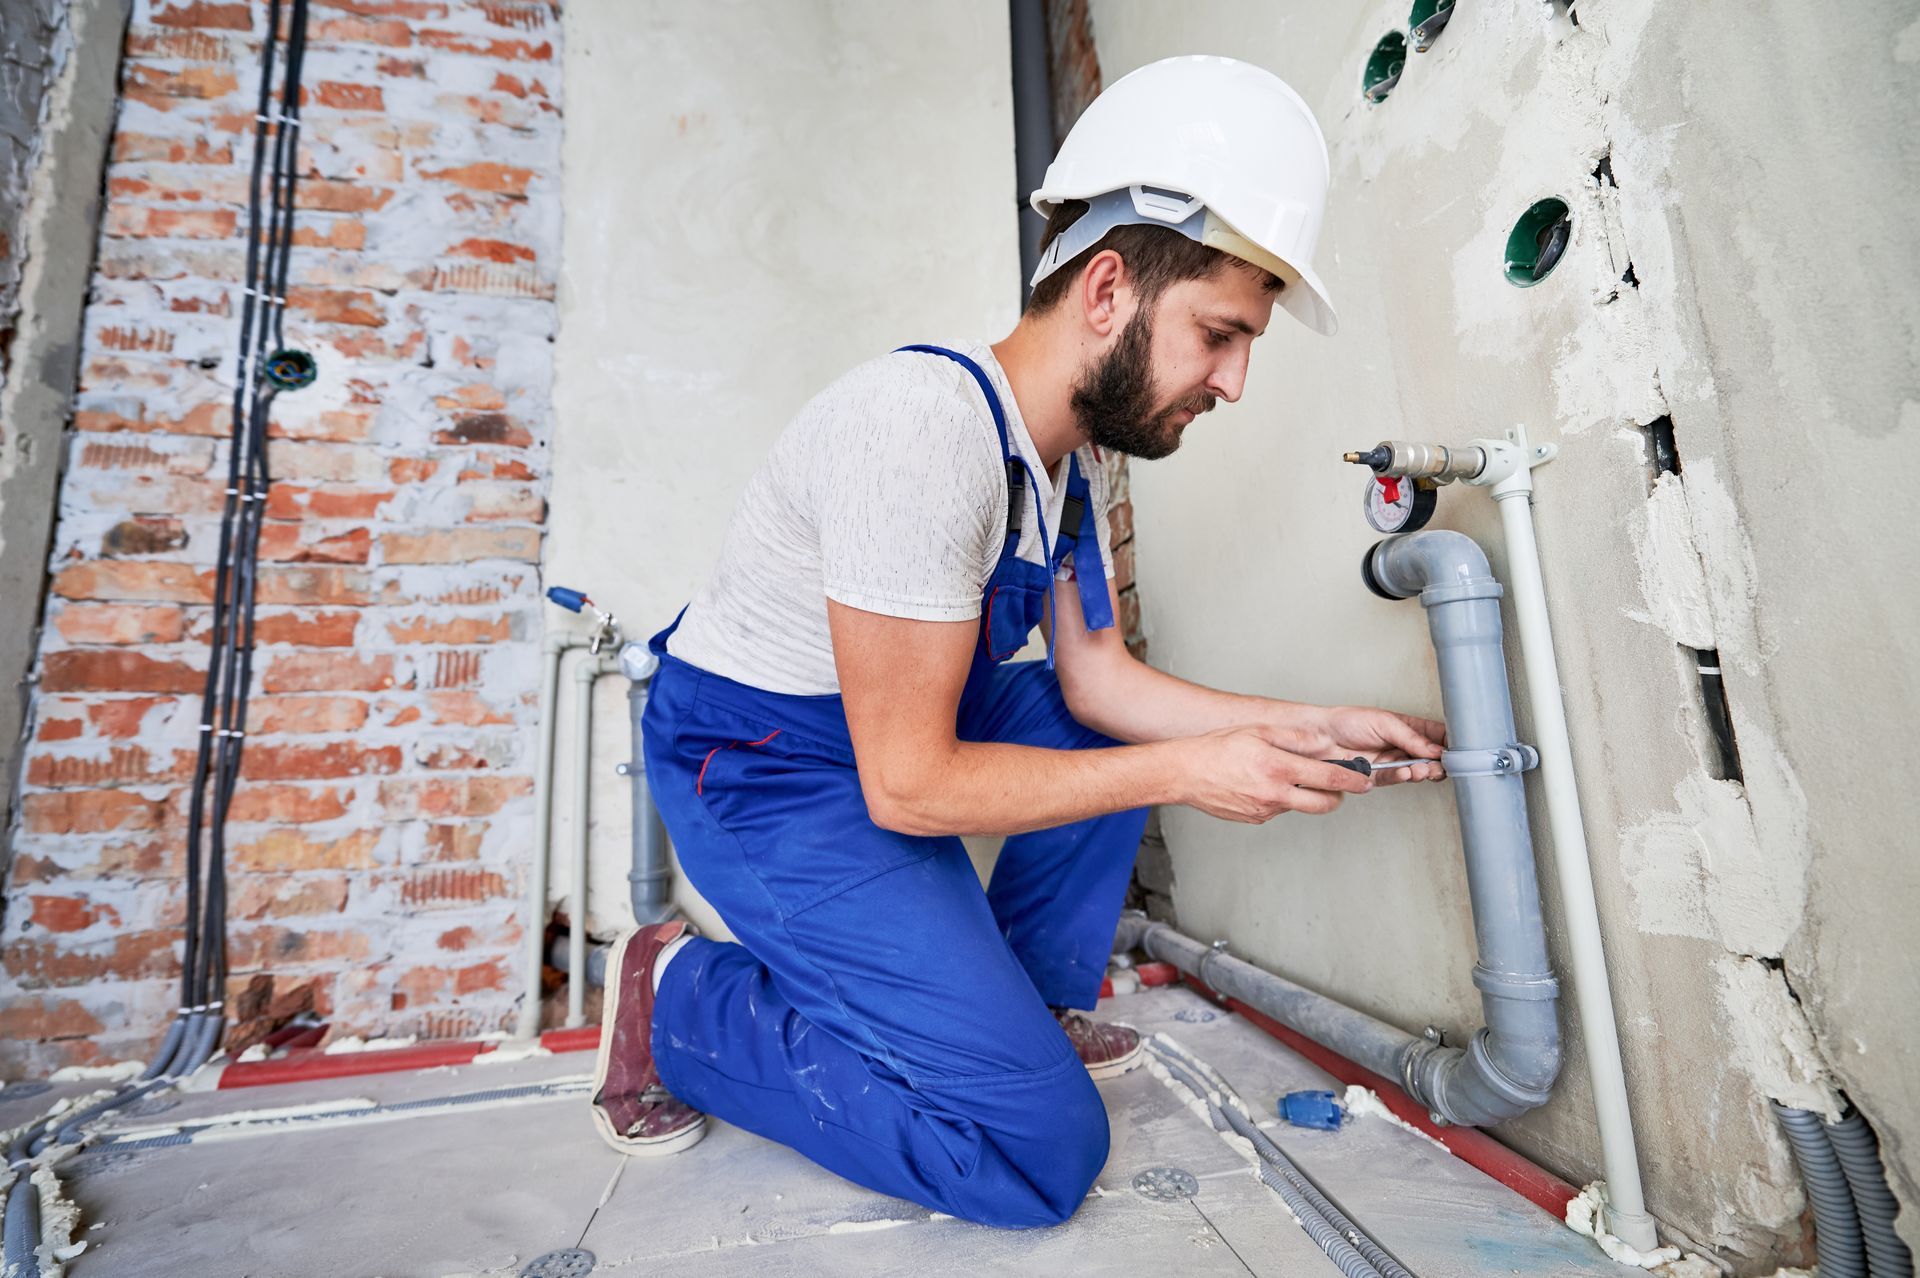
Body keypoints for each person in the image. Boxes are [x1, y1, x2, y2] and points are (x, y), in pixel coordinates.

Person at [586, 54, 1446, 1229]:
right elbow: (908, 783)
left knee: (1062, 708)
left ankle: (1017, 1009)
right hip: (762, 765)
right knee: (1033, 1148)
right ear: (1107, 291)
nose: (1234, 381)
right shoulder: (922, 435)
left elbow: (1102, 683)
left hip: (874, 738)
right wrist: (1194, 769)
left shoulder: (1068, 458)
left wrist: (1299, 724)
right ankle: (681, 999)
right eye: (1219, 334)